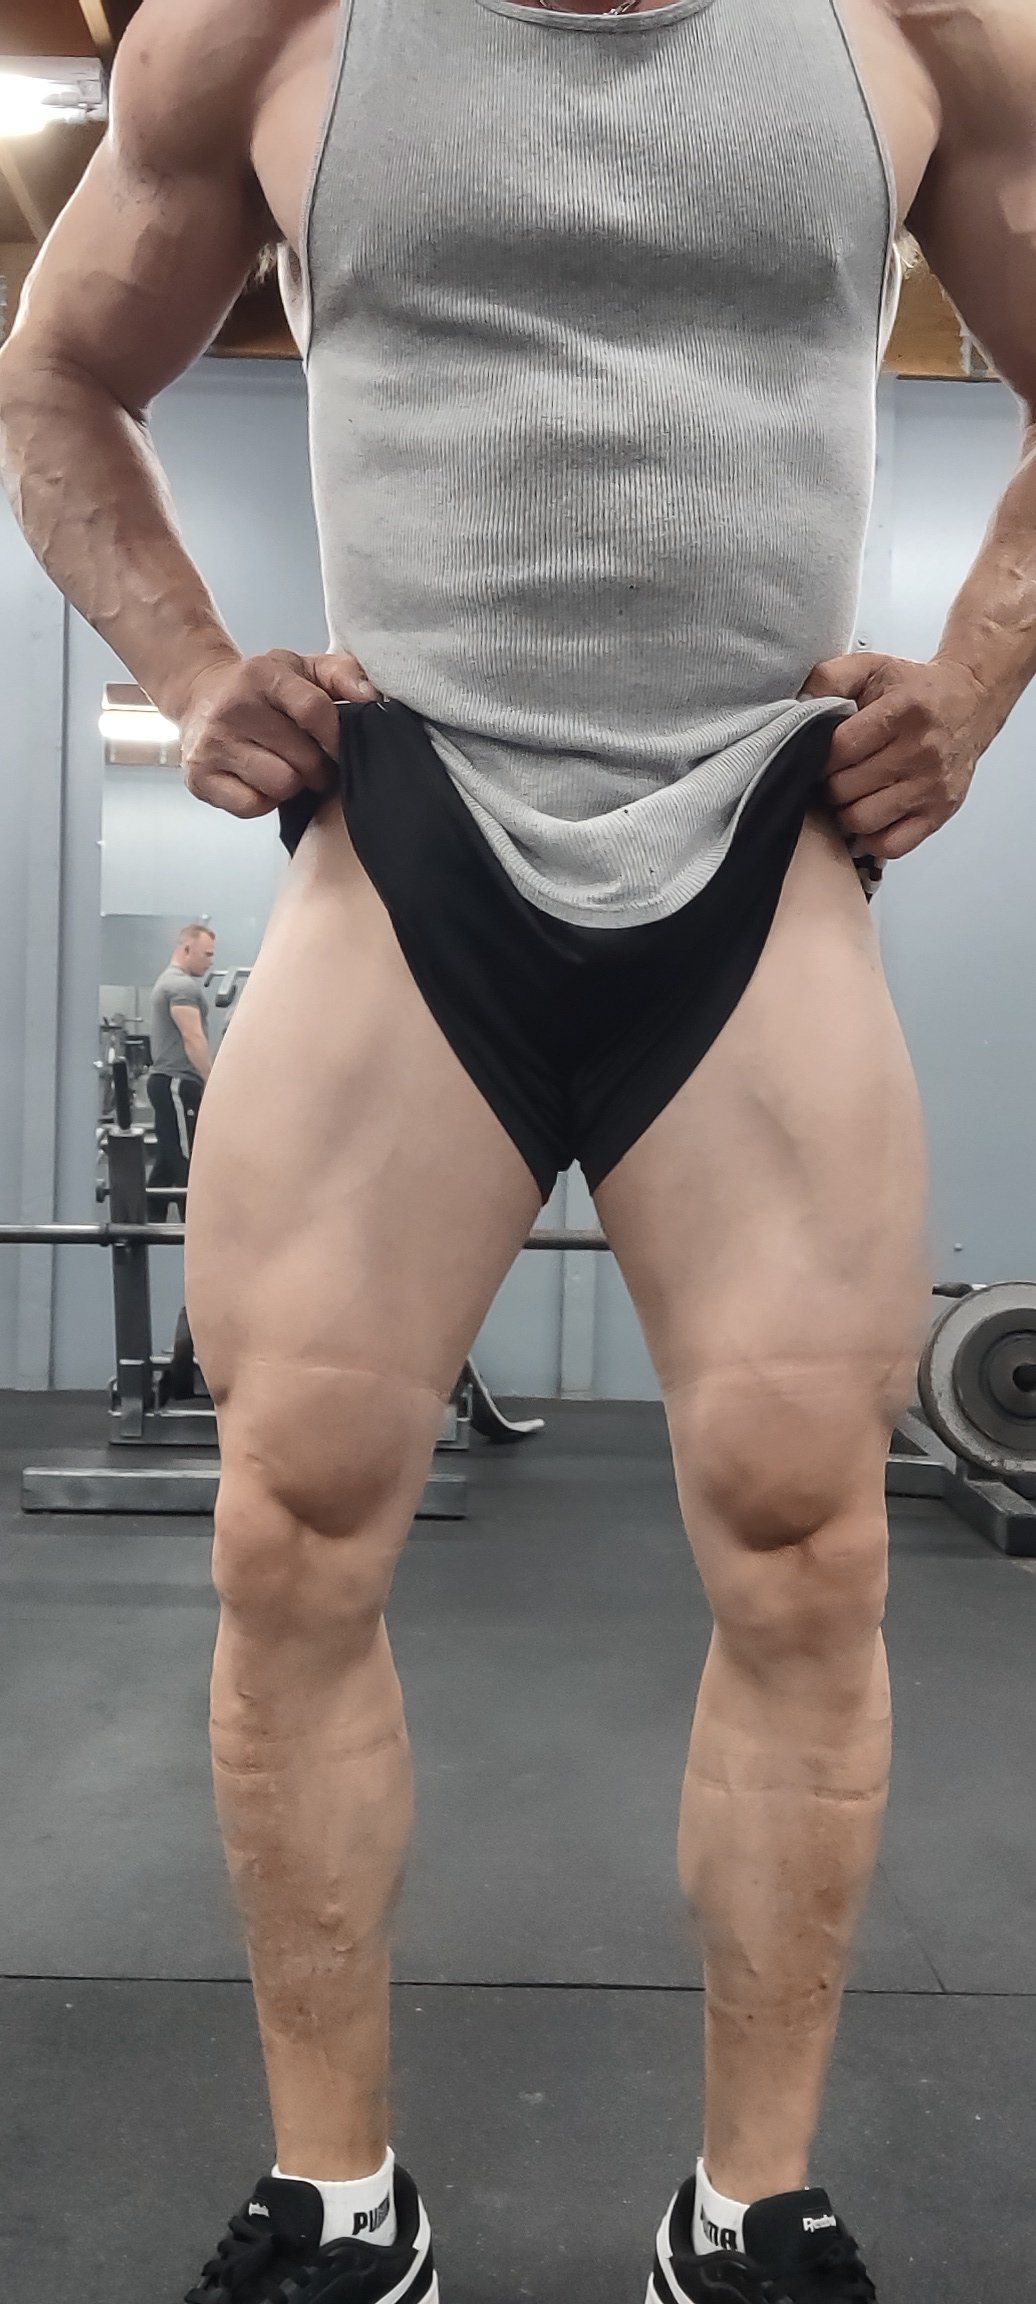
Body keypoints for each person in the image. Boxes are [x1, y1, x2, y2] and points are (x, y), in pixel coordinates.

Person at [1, 0, 1034, 2298]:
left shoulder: (922, 27)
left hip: (757, 834)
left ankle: (749, 2211)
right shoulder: (261, 26)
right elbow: (53, 376)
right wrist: (189, 665)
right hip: (411, 830)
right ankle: (338, 2200)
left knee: (808, 1544)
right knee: (288, 1530)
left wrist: (971, 680)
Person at [147, 922, 217, 1219]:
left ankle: (145, 1229)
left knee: (167, 1160)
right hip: (177, 1082)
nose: (211, 961)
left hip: (169, 1082)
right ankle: (196, 1232)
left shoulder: (170, 982)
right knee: (187, 1162)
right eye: (207, 954)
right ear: (187, 949)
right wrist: (212, 1081)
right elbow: (193, 1037)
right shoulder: (181, 986)